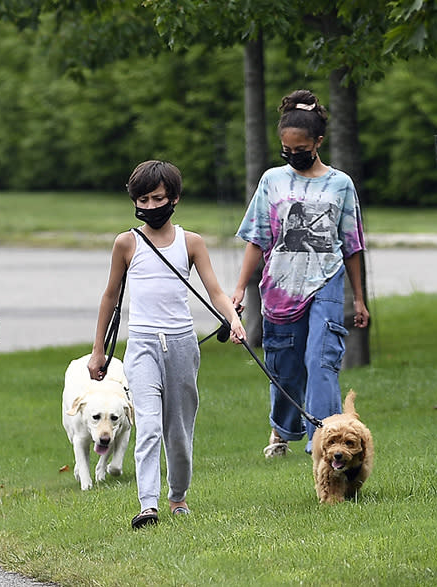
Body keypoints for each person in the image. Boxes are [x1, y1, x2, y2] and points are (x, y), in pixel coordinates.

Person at [87, 160, 246, 529]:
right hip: (141, 344)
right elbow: (110, 297)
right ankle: (147, 505)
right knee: (149, 425)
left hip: (182, 345)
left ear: (173, 199)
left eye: (158, 198)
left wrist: (234, 320)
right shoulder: (126, 243)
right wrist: (99, 351)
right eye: (143, 199)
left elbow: (216, 292)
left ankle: (178, 495)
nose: (151, 206)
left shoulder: (192, 243)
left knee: (179, 431)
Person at [232, 89, 369, 459]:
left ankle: (323, 443)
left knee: (320, 360)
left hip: (326, 281)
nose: (292, 154)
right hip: (281, 286)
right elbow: (257, 239)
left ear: (318, 142)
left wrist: (358, 298)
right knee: (285, 368)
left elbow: (352, 244)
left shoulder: (340, 184)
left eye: (300, 148)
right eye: (286, 148)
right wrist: (239, 289)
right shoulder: (271, 181)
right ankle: (282, 428)